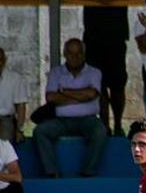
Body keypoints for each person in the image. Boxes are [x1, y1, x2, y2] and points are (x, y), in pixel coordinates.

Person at [33, 38, 108, 178]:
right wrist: (82, 95)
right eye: (71, 53)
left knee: (100, 131)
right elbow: (51, 98)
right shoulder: (56, 72)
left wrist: (64, 92)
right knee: (40, 131)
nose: (75, 57)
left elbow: (92, 94)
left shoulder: (94, 72)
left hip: (88, 120)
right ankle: (52, 172)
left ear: (84, 54)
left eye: (79, 53)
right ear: (65, 54)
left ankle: (88, 172)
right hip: (61, 120)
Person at [70, 0, 137, 137]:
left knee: (118, 86)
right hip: (93, 37)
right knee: (98, 86)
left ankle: (118, 124)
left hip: (116, 37)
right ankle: (105, 126)